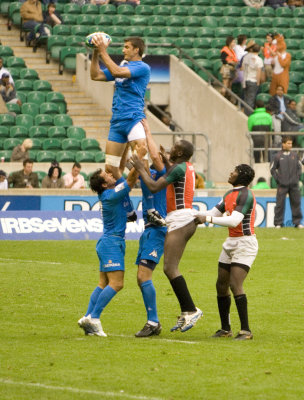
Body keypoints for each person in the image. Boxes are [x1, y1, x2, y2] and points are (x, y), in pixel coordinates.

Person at [131, 140, 203, 333]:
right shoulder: (184, 167)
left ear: (179, 152)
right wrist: (164, 159)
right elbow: (171, 171)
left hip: (180, 219)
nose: (171, 148)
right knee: (170, 268)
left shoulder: (179, 169)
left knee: (170, 268)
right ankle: (187, 310)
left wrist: (140, 168)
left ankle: (190, 309)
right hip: (181, 219)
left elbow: (154, 187)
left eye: (174, 147)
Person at [78, 143, 146, 337]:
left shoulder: (107, 193)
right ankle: (95, 317)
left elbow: (119, 170)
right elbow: (132, 180)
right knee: (117, 284)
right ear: (104, 184)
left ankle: (88, 316)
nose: (110, 175)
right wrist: (139, 158)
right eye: (106, 176)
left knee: (102, 283)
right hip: (112, 243)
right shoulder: (110, 196)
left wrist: (124, 148)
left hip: (106, 243)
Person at [195, 164, 257, 341]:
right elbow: (212, 212)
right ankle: (225, 329)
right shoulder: (229, 194)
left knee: (235, 283)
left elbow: (234, 221)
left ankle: (246, 331)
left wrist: (206, 219)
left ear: (242, 176)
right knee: (221, 285)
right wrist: (189, 214)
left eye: (235, 171)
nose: (231, 172)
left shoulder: (246, 194)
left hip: (245, 243)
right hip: (231, 242)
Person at [90, 35, 150, 181]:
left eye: (127, 47)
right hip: (117, 122)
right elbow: (95, 75)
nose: (123, 50)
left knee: (142, 164)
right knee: (110, 170)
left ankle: (150, 200)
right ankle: (124, 194)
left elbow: (117, 72)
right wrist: (96, 52)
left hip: (133, 120)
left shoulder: (142, 67)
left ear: (136, 50)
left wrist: (103, 50)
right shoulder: (122, 67)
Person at [134, 119, 167, 338]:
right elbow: (139, 161)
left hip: (157, 230)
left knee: (144, 275)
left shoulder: (164, 176)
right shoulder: (148, 176)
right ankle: (152, 320)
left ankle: (153, 322)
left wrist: (145, 131)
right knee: (140, 277)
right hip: (147, 230)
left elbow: (148, 159)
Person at [270, 136, 303, 228]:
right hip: (282, 185)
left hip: (294, 185)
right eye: (288, 143)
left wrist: (297, 178)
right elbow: (272, 169)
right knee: (280, 205)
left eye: (291, 143)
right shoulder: (277, 156)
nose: (290, 145)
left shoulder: (295, 155)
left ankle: (297, 223)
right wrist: (278, 180)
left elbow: (299, 168)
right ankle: (278, 223)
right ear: (283, 144)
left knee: (296, 203)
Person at [242, 44, 264, 114]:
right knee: (251, 100)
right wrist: (258, 82)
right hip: (253, 81)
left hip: (245, 80)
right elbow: (259, 72)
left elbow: (242, 68)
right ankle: (248, 116)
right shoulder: (259, 59)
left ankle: (245, 113)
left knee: (246, 99)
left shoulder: (246, 57)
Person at [220, 36, 238, 101]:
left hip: (232, 69)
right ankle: (221, 98)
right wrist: (231, 62)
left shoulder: (232, 51)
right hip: (226, 69)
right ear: (229, 42)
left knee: (229, 85)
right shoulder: (225, 50)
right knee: (225, 85)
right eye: (233, 42)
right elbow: (224, 60)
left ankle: (228, 99)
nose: (234, 43)